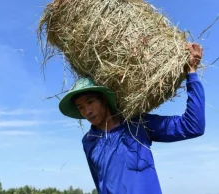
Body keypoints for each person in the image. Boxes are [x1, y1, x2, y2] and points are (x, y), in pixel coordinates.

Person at [58, 43, 204, 194]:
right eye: (80, 107)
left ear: (103, 100)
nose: (87, 111)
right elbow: (100, 183)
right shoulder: (89, 141)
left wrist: (191, 73)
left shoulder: (138, 124)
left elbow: (193, 126)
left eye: (90, 102)